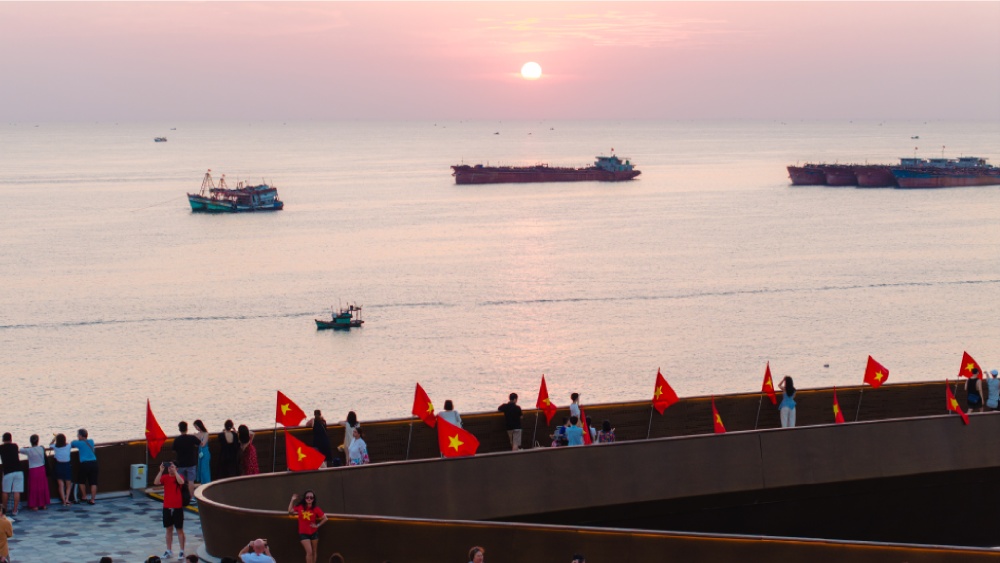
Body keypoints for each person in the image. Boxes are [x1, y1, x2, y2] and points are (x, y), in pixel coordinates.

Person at [154, 461, 186, 560]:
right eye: (169, 467)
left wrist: (175, 472)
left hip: (177, 507)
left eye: (172, 467)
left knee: (179, 529)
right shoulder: (165, 477)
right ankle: (168, 550)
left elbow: (181, 482)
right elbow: (156, 482)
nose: (170, 469)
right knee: (168, 529)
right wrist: (161, 471)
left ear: (176, 469)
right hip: (167, 507)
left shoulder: (179, 477)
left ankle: (182, 550)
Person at [288, 490, 328, 563]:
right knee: (309, 552)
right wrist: (292, 500)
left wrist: (317, 525)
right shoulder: (300, 507)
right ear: (305, 498)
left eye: (311, 497)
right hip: (303, 533)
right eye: (307, 497)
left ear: (313, 499)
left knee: (314, 551)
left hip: (314, 532)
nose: (309, 499)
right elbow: (290, 511)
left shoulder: (316, 509)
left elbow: (325, 518)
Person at [20, 435, 50, 510]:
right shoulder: (41, 448)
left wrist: (26, 447)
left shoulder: (29, 450)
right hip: (42, 469)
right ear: (38, 441)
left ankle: (34, 505)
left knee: (33, 488)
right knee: (42, 487)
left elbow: (20, 450)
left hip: (33, 470)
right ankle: (43, 504)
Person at [172, 421, 201, 496]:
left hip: (180, 463)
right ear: (187, 429)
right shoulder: (192, 438)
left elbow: (173, 450)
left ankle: (180, 496)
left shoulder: (177, 440)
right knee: (191, 481)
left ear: (179, 429)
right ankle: (191, 497)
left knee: (180, 481)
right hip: (191, 463)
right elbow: (200, 443)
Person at [71, 428, 99, 504]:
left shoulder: (79, 443)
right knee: (93, 482)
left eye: (78, 435)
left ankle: (84, 496)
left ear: (80, 435)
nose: (77, 436)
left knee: (81, 481)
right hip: (94, 463)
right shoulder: (91, 441)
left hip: (85, 464)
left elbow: (72, 443)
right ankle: (93, 499)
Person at [0, 435, 22, 515]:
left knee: (5, 491)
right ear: (11, 439)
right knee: (16, 491)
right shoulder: (15, 446)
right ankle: (15, 510)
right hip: (18, 471)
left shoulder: (1, 447)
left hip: (7, 471)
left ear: (3, 439)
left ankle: (4, 509)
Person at [50, 433, 74, 505]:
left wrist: (54, 439)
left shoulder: (55, 447)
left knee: (60, 484)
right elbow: (69, 444)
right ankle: (67, 499)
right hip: (67, 465)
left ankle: (63, 500)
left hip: (58, 465)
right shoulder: (68, 446)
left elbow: (50, 445)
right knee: (68, 484)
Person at [193, 420, 212, 485]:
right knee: (200, 468)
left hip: (205, 452)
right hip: (200, 453)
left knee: (205, 469)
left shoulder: (206, 434)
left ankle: (207, 482)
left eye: (196, 426)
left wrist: (196, 437)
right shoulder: (198, 434)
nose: (196, 428)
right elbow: (196, 444)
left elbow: (203, 444)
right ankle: (202, 482)